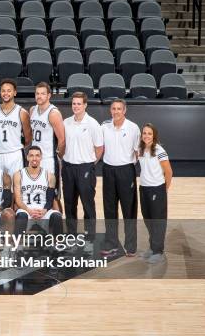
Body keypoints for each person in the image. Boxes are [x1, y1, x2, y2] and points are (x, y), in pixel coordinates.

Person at [60, 92, 103, 247]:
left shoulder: (92, 124)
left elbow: (99, 148)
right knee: (70, 203)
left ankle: (90, 235)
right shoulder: (66, 122)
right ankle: (71, 234)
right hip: (68, 167)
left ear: (85, 105)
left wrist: (90, 164)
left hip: (85, 167)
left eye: (79, 103)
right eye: (74, 103)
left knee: (87, 203)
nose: (76, 106)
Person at [101, 99, 140, 257]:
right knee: (109, 209)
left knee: (129, 210)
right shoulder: (104, 127)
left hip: (126, 171)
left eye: (119, 109)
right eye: (113, 109)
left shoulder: (133, 128)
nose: (116, 111)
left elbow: (138, 152)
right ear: (110, 110)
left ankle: (130, 246)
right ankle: (111, 244)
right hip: (108, 170)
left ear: (125, 110)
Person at [138, 123, 172, 264]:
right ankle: (153, 248)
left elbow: (169, 172)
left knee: (158, 221)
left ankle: (159, 252)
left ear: (154, 135)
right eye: (144, 133)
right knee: (148, 219)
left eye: (149, 133)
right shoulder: (140, 149)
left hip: (156, 189)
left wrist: (164, 189)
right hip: (144, 188)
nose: (146, 135)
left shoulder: (159, 150)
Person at [13, 146, 63, 243]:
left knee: (56, 216)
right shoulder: (19, 175)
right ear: (27, 157)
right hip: (26, 210)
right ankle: (16, 248)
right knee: (21, 215)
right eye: (31, 156)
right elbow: (18, 199)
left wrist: (44, 211)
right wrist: (29, 210)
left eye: (37, 155)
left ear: (41, 157)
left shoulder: (50, 176)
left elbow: (50, 199)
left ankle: (58, 247)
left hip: (43, 211)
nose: (34, 158)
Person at [0, 79, 32, 176]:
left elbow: (28, 139)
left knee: (16, 187)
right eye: (3, 91)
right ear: (0, 93)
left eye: (9, 91)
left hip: (15, 154)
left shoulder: (22, 112)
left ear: (15, 93)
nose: (6, 93)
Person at [29, 82, 65, 190]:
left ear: (49, 95)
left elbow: (62, 139)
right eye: (37, 93)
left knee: (52, 194)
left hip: (48, 159)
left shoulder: (53, 113)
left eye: (43, 94)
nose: (39, 96)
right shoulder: (32, 110)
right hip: (34, 158)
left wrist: (58, 156)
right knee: (36, 191)